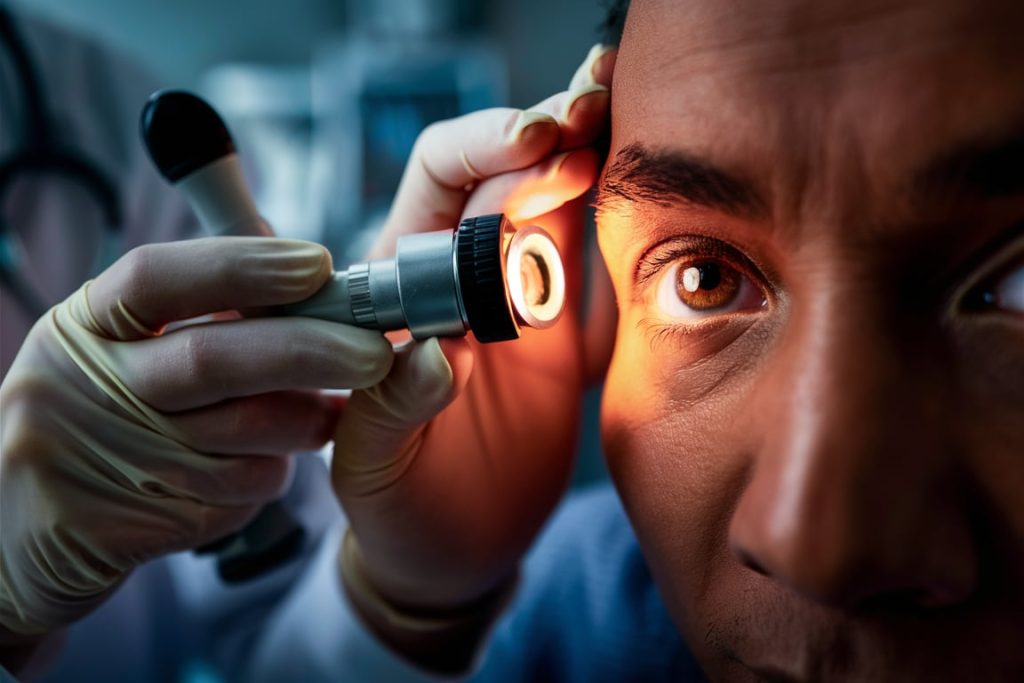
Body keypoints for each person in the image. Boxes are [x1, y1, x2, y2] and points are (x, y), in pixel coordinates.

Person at [4, 0, 1024, 682]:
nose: (817, 540)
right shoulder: (572, 628)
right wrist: (411, 594)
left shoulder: (72, 95)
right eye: (704, 277)